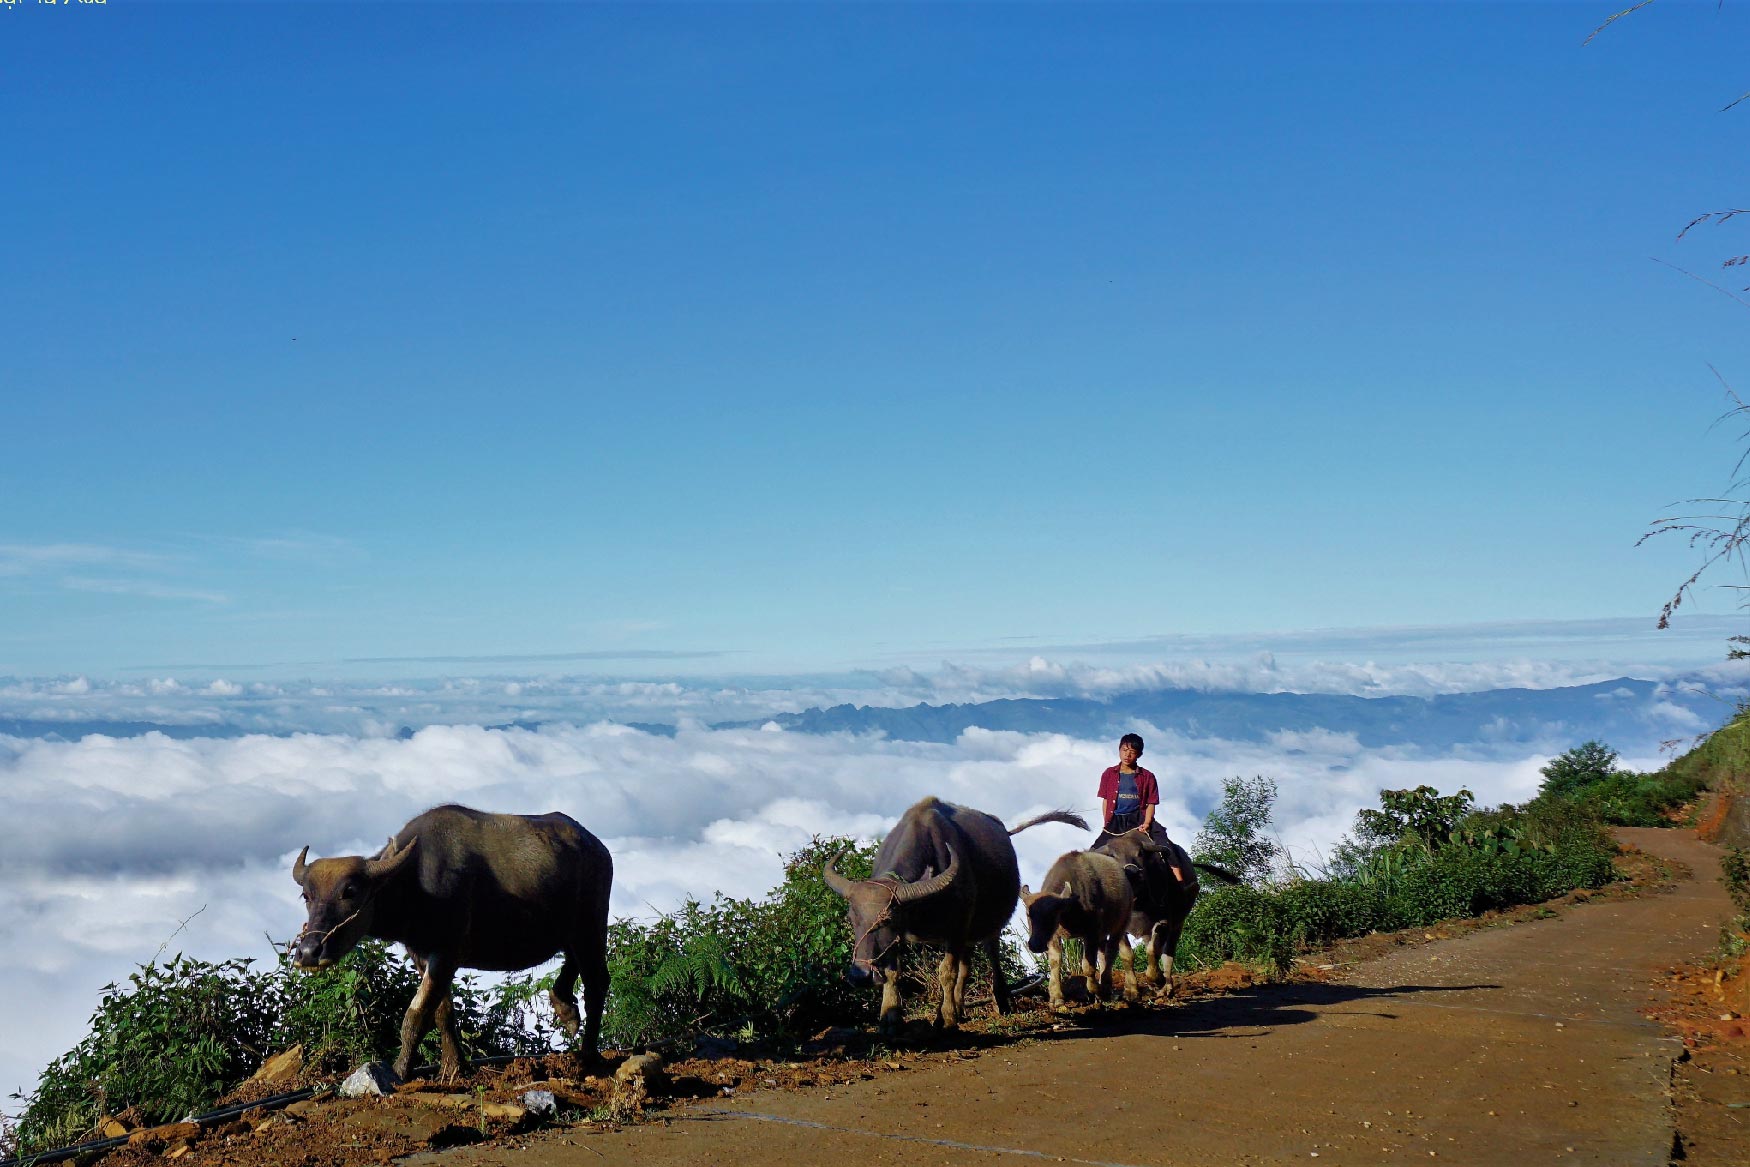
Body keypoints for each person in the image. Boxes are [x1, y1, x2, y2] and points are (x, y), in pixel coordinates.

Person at [1095, 733, 1185, 882]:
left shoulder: (1148, 776)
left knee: (1164, 846)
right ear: (1119, 750)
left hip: (1140, 818)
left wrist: (1147, 823)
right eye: (1124, 750)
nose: (1127, 755)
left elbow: (1151, 803)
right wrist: (1107, 822)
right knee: (1095, 851)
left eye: (1132, 752)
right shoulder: (1109, 774)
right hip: (1116, 822)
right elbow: (1105, 800)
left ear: (1139, 755)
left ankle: (1180, 884)